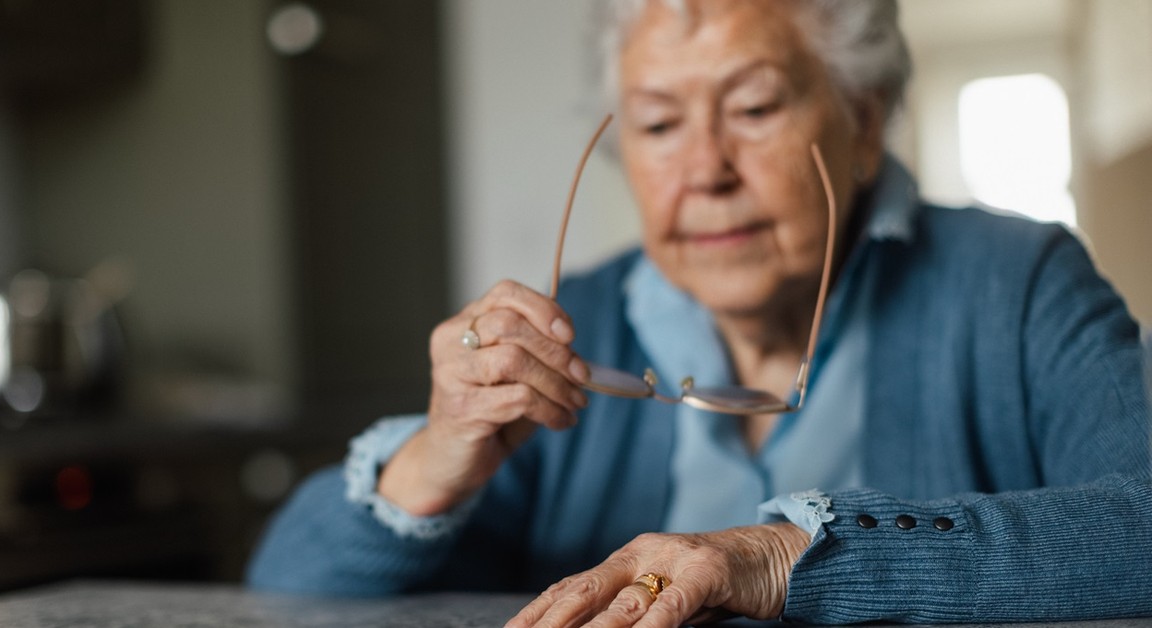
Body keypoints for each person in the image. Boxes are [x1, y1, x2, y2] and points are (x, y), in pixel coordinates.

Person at [246, 0, 1152, 625]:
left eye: (754, 107)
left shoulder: (1015, 283)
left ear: (864, 124)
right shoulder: (576, 329)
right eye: (657, 123)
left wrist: (780, 557)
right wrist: (433, 460)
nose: (706, 172)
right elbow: (284, 594)